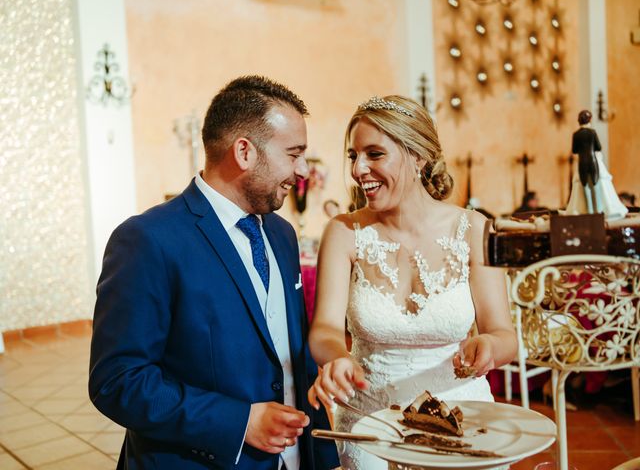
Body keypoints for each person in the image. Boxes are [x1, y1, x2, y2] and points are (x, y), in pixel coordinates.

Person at [89, 76, 339, 470]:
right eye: (293, 154)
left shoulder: (281, 233)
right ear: (244, 152)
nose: (303, 170)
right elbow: (118, 381)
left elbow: (294, 361)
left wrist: (323, 455)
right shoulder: (148, 240)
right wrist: (239, 423)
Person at [306, 95, 517, 469]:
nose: (358, 169)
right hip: (369, 422)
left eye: (374, 154)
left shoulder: (474, 229)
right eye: (354, 156)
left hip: (461, 418)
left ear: (418, 156)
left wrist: (488, 346)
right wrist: (337, 356)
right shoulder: (343, 232)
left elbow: (504, 335)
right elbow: (324, 328)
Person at [565, 110, 627, 220]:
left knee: (585, 187)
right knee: (596, 185)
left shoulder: (576, 134)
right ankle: (598, 211)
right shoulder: (592, 132)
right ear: (589, 120)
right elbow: (598, 147)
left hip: (582, 163)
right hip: (593, 162)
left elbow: (574, 150)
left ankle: (589, 211)